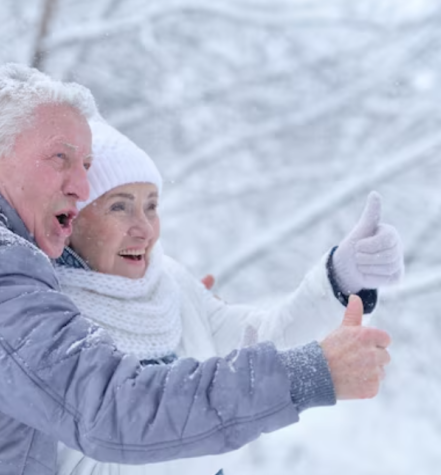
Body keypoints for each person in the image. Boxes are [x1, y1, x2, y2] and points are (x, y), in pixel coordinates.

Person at [0, 64, 392, 475]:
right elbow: (116, 410)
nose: (77, 180)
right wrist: (310, 375)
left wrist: (335, 283)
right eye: (59, 158)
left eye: (86, 163)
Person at [52, 119, 405, 474]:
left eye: (151, 206)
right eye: (119, 206)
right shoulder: (52, 318)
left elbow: (263, 344)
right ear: (72, 220)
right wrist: (227, 422)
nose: (144, 228)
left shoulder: (168, 282)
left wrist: (340, 281)